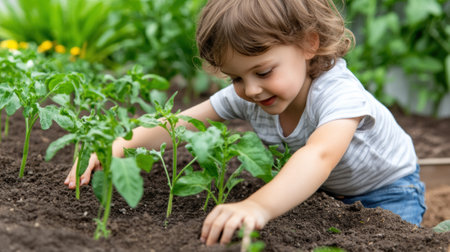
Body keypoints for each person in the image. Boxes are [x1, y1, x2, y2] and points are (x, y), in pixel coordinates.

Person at [64, 0, 426, 246]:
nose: (250, 90)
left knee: (389, 243)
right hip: (325, 192)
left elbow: (319, 155)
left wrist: (257, 206)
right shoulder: (253, 92)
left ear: (308, 44)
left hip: (388, 191)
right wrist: (118, 145)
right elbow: (181, 123)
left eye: (263, 71)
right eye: (235, 78)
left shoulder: (338, 94)